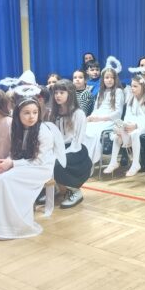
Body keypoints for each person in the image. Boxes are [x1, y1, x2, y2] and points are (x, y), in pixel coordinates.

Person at [0, 98, 66, 240]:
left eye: (35, 112)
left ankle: (11, 227)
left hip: (40, 168)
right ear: (18, 114)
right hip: (22, 164)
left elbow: (39, 160)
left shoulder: (43, 131)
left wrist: (12, 164)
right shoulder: (16, 129)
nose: (31, 116)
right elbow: (14, 152)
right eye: (26, 113)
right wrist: (7, 161)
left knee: (5, 181)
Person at [103, 75, 145, 177]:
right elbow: (127, 117)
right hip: (132, 124)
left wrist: (136, 125)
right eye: (131, 86)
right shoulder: (131, 99)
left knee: (135, 133)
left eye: (135, 86)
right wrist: (124, 126)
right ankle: (113, 161)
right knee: (117, 134)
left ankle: (135, 163)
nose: (132, 88)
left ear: (143, 87)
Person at [49, 80, 91, 209]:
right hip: (58, 148)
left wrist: (59, 154)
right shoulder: (53, 113)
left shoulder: (78, 114)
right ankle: (58, 189)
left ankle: (74, 191)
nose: (58, 95)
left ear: (70, 94)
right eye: (56, 92)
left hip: (75, 150)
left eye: (62, 92)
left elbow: (77, 141)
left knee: (57, 164)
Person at [83, 67, 124, 163]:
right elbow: (96, 109)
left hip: (110, 121)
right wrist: (90, 117)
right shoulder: (101, 92)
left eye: (112, 77)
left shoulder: (118, 91)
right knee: (84, 129)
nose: (109, 80)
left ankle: (90, 160)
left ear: (115, 79)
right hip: (98, 119)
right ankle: (84, 159)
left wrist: (100, 118)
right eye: (107, 77)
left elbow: (118, 113)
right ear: (103, 79)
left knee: (94, 132)